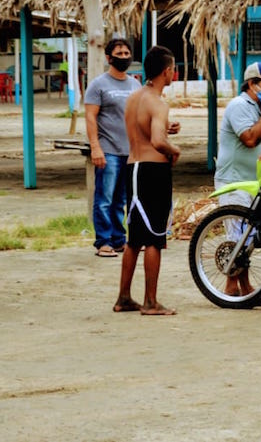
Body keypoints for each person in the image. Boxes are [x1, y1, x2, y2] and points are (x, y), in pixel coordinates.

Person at [114, 45, 180, 315]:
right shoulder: (159, 102)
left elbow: (146, 131)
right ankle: (151, 301)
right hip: (153, 171)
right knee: (154, 238)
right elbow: (156, 140)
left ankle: (124, 297)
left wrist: (165, 130)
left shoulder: (134, 97)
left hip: (134, 167)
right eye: (173, 68)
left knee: (134, 238)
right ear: (167, 72)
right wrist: (173, 149)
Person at [213, 61, 261, 298]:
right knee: (238, 237)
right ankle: (238, 287)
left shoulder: (259, 106)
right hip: (234, 181)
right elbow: (250, 139)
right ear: (252, 84)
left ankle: (239, 287)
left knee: (247, 237)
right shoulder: (239, 105)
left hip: (253, 181)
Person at [84, 38, 141, 257]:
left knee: (121, 200)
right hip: (108, 150)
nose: (124, 57)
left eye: (127, 53)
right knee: (104, 199)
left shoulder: (135, 84)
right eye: (119, 53)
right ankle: (103, 242)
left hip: (130, 151)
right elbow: (90, 117)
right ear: (109, 57)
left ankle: (119, 240)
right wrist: (95, 148)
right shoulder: (98, 85)